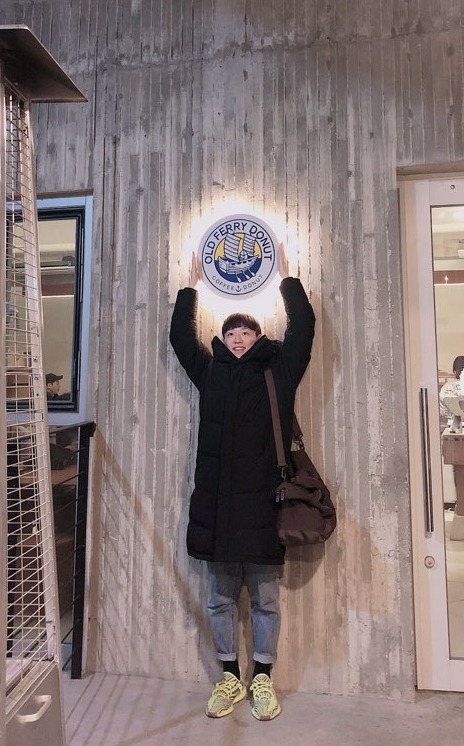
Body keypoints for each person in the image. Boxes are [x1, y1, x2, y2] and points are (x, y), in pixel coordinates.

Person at [169, 245, 315, 721]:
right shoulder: (209, 372)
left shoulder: (278, 372)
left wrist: (287, 280)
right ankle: (229, 676)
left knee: (266, 601)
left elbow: (303, 331)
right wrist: (190, 288)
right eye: (230, 332)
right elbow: (180, 339)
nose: (236, 339)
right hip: (217, 509)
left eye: (245, 332)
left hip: (264, 509)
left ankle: (263, 679)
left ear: (258, 338)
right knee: (219, 600)